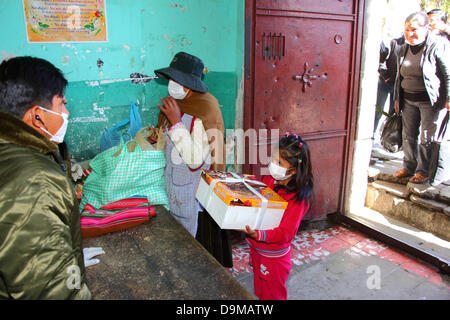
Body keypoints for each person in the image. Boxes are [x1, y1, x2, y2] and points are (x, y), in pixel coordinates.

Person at [0, 56, 91, 299]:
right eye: (61, 104)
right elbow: (53, 289)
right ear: (37, 114)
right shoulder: (35, 183)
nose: (66, 112)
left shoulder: (9, 150)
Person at [154, 52, 232, 267]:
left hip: (195, 192)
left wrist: (176, 121)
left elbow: (194, 160)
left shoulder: (204, 109)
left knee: (198, 254)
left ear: (190, 84)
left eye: (176, 80)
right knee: (179, 242)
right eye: (170, 79)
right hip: (175, 185)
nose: (171, 84)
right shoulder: (176, 103)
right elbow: (165, 137)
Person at [240, 133, 313, 300]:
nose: (273, 165)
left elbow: (285, 232)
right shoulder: (270, 179)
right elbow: (260, 200)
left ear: (294, 170)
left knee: (272, 295)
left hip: (273, 259)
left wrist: (257, 234)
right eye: (273, 159)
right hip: (258, 250)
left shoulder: (296, 199)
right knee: (260, 291)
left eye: (279, 162)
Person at [393, 12, 450, 184]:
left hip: (430, 102)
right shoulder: (403, 48)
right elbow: (399, 75)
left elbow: (448, 73)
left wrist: (448, 97)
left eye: (415, 30)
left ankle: (423, 171)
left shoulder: (437, 45)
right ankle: (409, 166)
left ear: (426, 28)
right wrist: (397, 98)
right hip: (408, 100)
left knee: (427, 137)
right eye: (407, 30)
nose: (410, 34)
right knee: (408, 135)